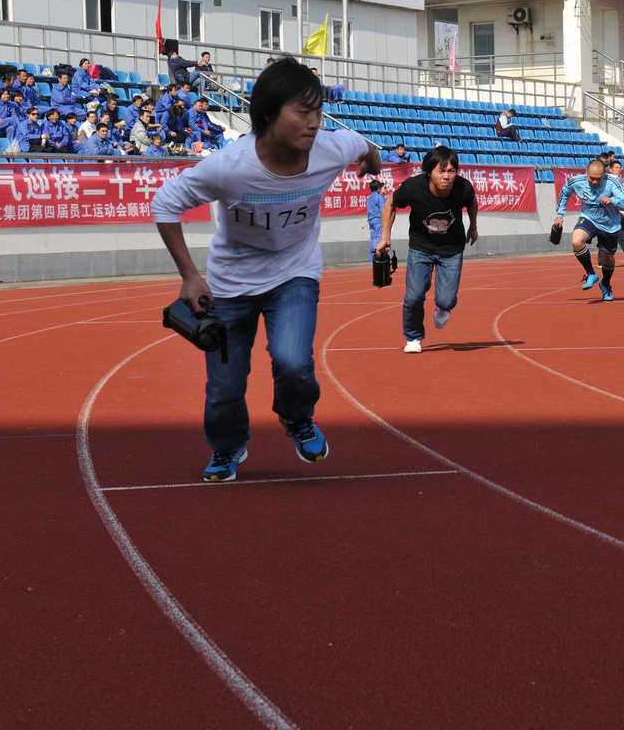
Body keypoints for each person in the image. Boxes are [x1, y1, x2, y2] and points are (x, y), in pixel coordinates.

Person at [151, 58, 381, 482]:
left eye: (318, 111)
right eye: (303, 112)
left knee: (294, 361)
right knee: (224, 389)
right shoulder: (230, 168)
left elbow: (365, 146)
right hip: (230, 286)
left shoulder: (330, 148)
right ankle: (227, 448)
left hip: (295, 273)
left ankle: (297, 418)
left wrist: (374, 162)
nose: (315, 123)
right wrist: (189, 276)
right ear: (269, 113)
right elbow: (164, 204)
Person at [376, 145, 479, 353]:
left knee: (446, 300)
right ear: (429, 171)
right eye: (441, 171)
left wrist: (473, 226)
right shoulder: (414, 187)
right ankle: (413, 337)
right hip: (421, 247)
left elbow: (472, 203)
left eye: (451, 171)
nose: (447, 176)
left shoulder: (463, 187)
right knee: (414, 296)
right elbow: (390, 204)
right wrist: (385, 237)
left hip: (451, 249)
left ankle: (442, 308)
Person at [553, 158, 624, 301]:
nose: (595, 182)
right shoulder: (577, 182)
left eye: (598, 179)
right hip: (589, 219)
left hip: (609, 224)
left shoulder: (612, 183)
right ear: (586, 173)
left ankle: (605, 284)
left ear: (605, 175)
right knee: (577, 242)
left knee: (607, 259)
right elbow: (565, 192)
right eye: (592, 178)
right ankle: (591, 274)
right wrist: (560, 215)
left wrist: (613, 200)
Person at [365, 180, 386, 258]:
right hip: (378, 220)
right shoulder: (379, 197)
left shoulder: (369, 198)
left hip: (371, 220)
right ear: (378, 188)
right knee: (378, 238)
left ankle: (372, 258)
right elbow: (383, 210)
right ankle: (378, 256)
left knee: (373, 238)